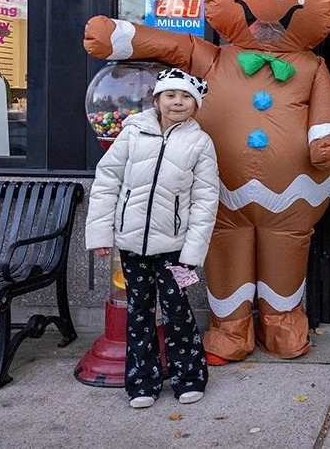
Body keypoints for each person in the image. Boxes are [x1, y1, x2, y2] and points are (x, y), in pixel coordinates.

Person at [85, 68, 219, 409]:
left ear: (196, 104)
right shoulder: (132, 133)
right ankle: (142, 382)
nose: (178, 102)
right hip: (131, 244)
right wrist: (101, 233)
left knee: (177, 311)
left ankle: (188, 377)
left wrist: (192, 252)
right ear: (157, 99)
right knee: (139, 311)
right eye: (170, 95)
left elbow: (205, 201)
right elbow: (106, 182)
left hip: (173, 248)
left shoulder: (200, 142)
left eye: (186, 97)